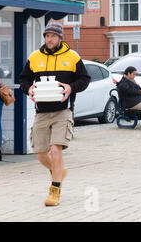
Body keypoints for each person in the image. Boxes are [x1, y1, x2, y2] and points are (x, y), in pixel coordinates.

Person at [19, 22, 91, 207]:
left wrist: (71, 87)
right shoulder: (35, 57)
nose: (49, 39)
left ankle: (55, 189)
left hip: (63, 111)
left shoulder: (72, 56)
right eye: (47, 36)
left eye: (53, 36)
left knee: (54, 149)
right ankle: (58, 171)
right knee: (41, 154)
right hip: (41, 112)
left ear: (60, 37)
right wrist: (29, 88)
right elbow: (23, 79)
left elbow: (84, 79)